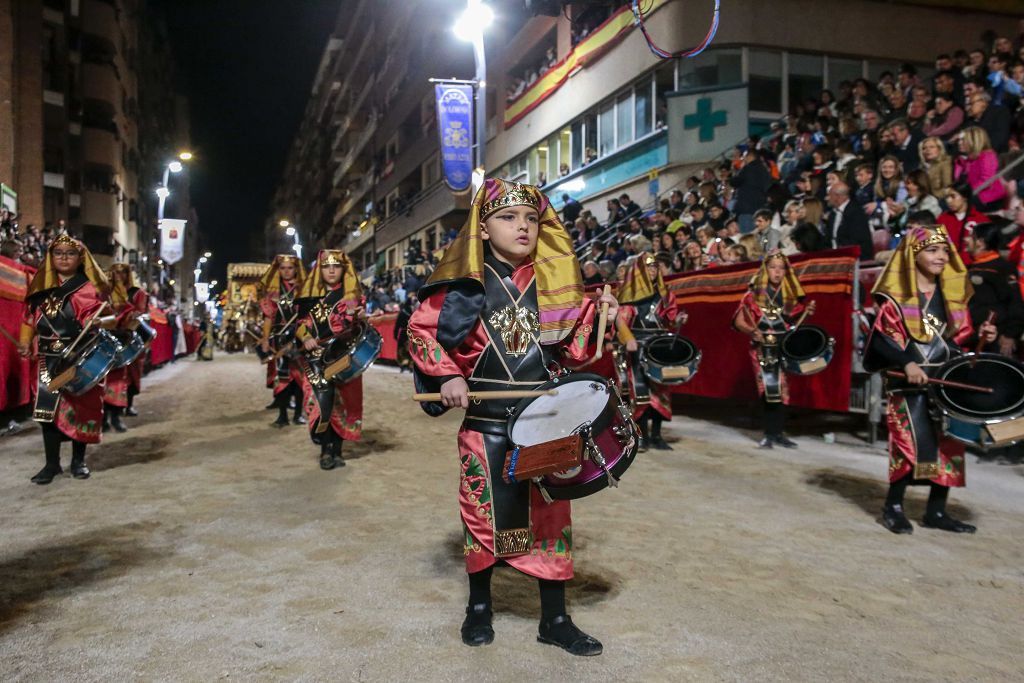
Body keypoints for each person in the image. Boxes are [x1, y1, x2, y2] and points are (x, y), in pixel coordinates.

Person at [406, 179, 617, 656]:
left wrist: (600, 314)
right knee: (482, 515)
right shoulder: (462, 288)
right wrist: (445, 375)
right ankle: (479, 607)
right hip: (484, 424)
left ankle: (556, 619)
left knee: (550, 518)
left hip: (545, 424)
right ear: (482, 229)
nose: (522, 226)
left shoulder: (556, 286)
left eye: (530, 219)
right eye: (507, 218)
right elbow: (419, 333)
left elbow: (580, 350)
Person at [862, 225, 996, 534]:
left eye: (945, 251)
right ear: (914, 254)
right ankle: (892, 507)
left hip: (944, 383)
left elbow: (958, 340)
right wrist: (906, 362)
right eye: (933, 250)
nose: (941, 256)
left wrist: (982, 336)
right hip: (906, 384)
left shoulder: (951, 296)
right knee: (909, 446)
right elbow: (882, 339)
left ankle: (936, 512)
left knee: (950, 446)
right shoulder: (898, 298)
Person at [18, 234, 111, 484]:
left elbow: (110, 317)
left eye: (69, 254)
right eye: (58, 253)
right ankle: (51, 465)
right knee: (46, 411)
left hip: (81, 357)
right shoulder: (41, 290)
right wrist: (26, 342)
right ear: (51, 257)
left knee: (82, 408)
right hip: (48, 358)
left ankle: (78, 462)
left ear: (80, 258)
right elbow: (29, 319)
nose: (63, 258)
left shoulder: (91, 288)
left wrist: (100, 321)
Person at [732, 251, 816, 448]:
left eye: (781, 268)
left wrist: (807, 313)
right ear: (765, 269)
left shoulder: (789, 295)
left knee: (783, 390)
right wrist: (752, 331)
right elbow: (738, 320)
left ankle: (779, 433)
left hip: (782, 347)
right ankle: (769, 433)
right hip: (762, 348)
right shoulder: (752, 295)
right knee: (769, 389)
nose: (777, 272)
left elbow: (795, 320)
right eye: (773, 267)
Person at [294, 250, 365, 470]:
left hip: (345, 356)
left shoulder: (354, 297)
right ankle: (325, 450)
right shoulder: (308, 299)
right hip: (316, 358)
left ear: (344, 269)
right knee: (323, 405)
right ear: (319, 270)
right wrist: (305, 338)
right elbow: (300, 327)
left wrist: (362, 319)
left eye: (336, 266)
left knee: (344, 404)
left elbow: (361, 328)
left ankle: (338, 450)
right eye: (326, 266)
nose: (331, 270)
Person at [615, 251, 686, 451]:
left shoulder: (665, 294)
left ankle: (657, 436)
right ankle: (642, 436)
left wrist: (678, 320)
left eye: (655, 267)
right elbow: (621, 321)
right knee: (641, 391)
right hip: (637, 346)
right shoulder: (629, 294)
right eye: (649, 267)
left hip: (659, 346)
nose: (653, 270)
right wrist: (628, 339)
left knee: (661, 390)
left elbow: (669, 319)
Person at [259, 254, 308, 428]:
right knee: (282, 377)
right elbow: (268, 318)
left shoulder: (304, 290)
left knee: (300, 378)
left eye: (290, 268)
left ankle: (298, 415)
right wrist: (265, 338)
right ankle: (282, 416)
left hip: (301, 338)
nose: (286, 271)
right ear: (278, 270)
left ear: (296, 269)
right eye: (283, 268)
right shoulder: (272, 292)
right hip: (279, 339)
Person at [964, 222, 1024, 356]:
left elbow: (1015, 303)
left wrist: (1010, 335)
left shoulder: (1002, 268)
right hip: (974, 336)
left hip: (995, 340)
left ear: (980, 242)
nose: (965, 240)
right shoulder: (971, 267)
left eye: (970, 237)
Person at [102, 264, 147, 432]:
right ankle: (103, 418)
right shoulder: (103, 293)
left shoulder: (136, 293)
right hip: (103, 340)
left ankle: (117, 415)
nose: (118, 275)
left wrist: (127, 323)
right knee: (102, 380)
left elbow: (136, 314)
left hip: (124, 339)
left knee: (123, 379)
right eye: (115, 272)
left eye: (122, 272)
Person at [953, 126, 1007, 213]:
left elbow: (987, 180)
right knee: (944, 206)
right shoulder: (963, 160)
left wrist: (965, 194)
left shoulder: (988, 156)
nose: (959, 143)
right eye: (959, 140)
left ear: (974, 140)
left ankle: (928, 227)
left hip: (987, 199)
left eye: (963, 140)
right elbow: (958, 181)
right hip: (972, 197)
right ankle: (928, 227)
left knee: (947, 207)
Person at [937, 180, 990, 263]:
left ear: (965, 197)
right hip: (948, 268)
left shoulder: (980, 220)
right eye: (946, 197)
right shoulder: (942, 219)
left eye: (953, 196)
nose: (948, 201)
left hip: (973, 266)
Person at [825, 183, 874, 260]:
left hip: (854, 257)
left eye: (829, 195)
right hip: (835, 256)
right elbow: (828, 239)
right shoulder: (832, 215)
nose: (827, 198)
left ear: (837, 196)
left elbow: (857, 240)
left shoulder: (856, 213)